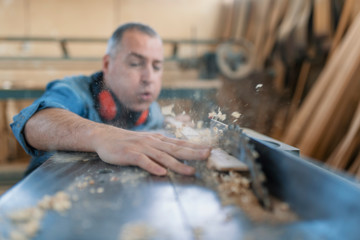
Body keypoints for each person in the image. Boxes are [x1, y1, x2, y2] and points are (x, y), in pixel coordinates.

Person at [11, 22, 211, 176]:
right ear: (107, 64)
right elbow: (34, 123)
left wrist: (171, 127)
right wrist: (101, 136)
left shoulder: (153, 111)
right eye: (135, 63)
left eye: (157, 66)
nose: (149, 77)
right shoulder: (75, 90)